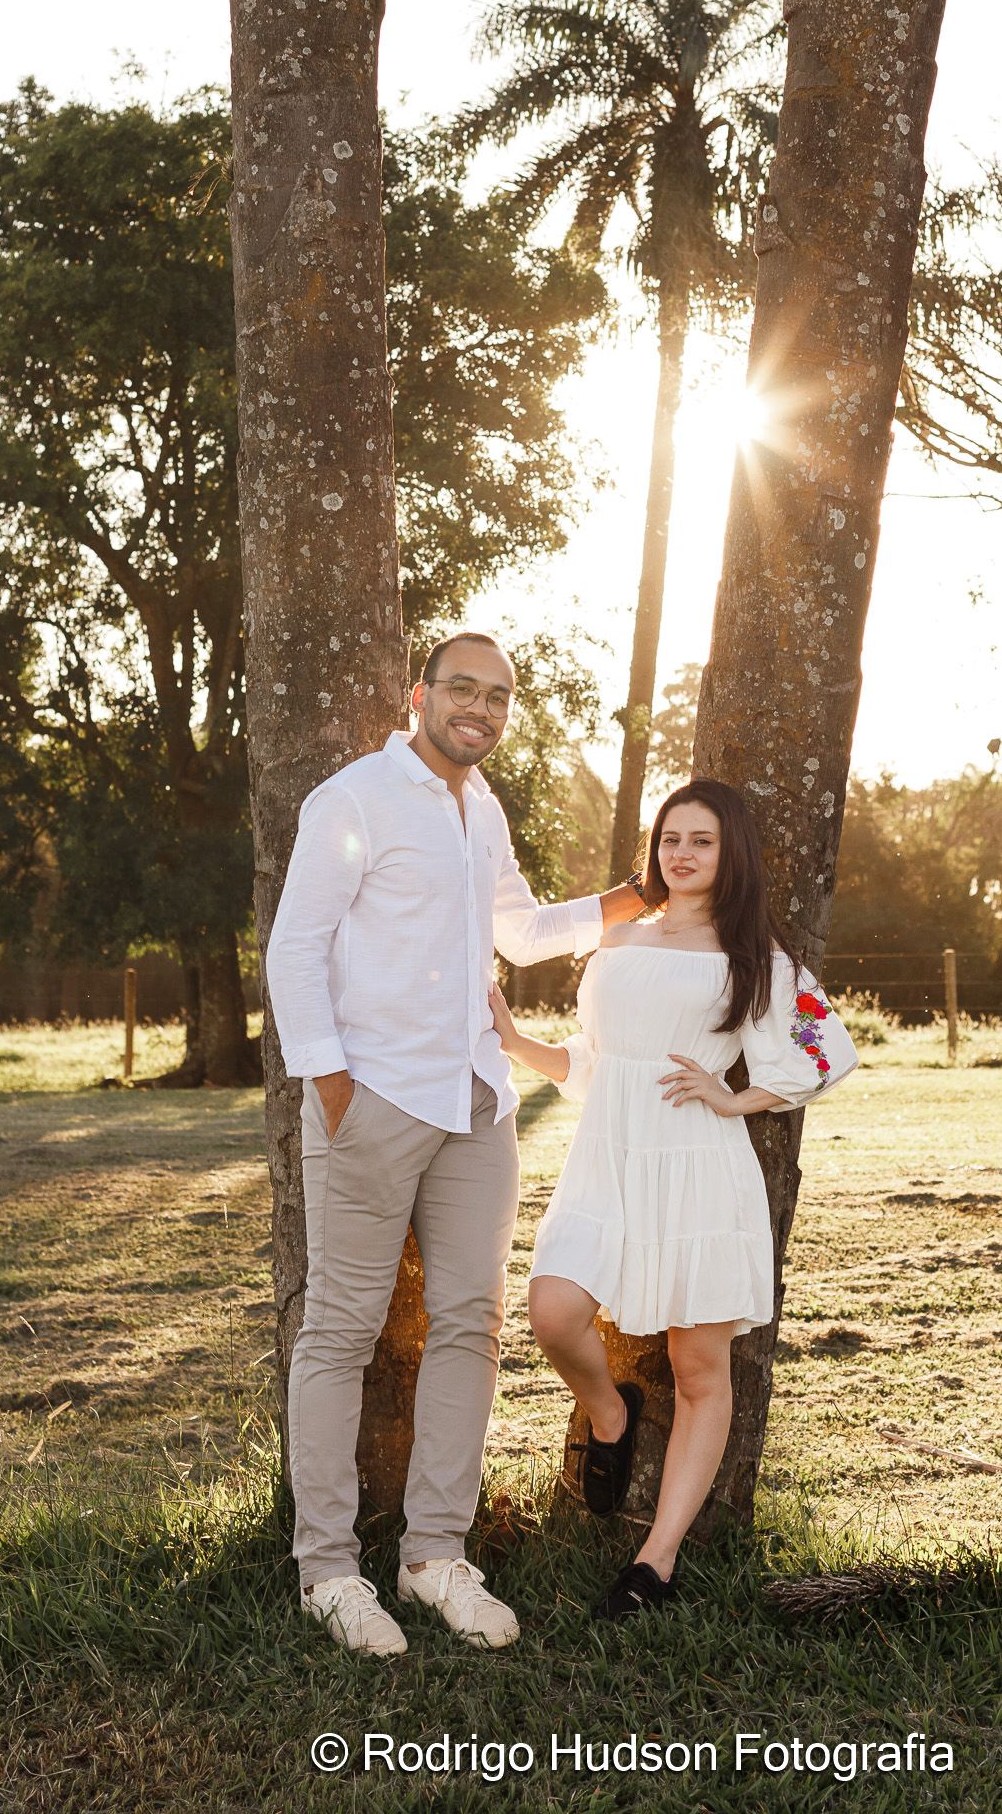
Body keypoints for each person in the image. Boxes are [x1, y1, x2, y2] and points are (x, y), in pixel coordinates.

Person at [265, 630, 646, 1658]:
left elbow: (519, 933)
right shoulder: (351, 800)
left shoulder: (484, 810)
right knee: (339, 1331)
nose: (480, 707)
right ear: (418, 695)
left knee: (471, 1328)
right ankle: (328, 1571)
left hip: (477, 1103)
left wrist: (640, 893)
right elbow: (295, 947)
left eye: (499, 696)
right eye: (462, 688)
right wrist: (333, 1085)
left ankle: (435, 1556)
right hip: (373, 1100)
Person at [489, 776, 858, 1619]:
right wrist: (515, 1042)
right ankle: (609, 1413)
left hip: (699, 1170)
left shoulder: (756, 956)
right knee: (552, 1311)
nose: (681, 854)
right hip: (605, 1163)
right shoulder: (617, 941)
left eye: (702, 841)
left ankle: (654, 1564)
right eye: (670, 839)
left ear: (732, 857)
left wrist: (737, 1098)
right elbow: (596, 1063)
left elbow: (826, 1050)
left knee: (701, 1370)